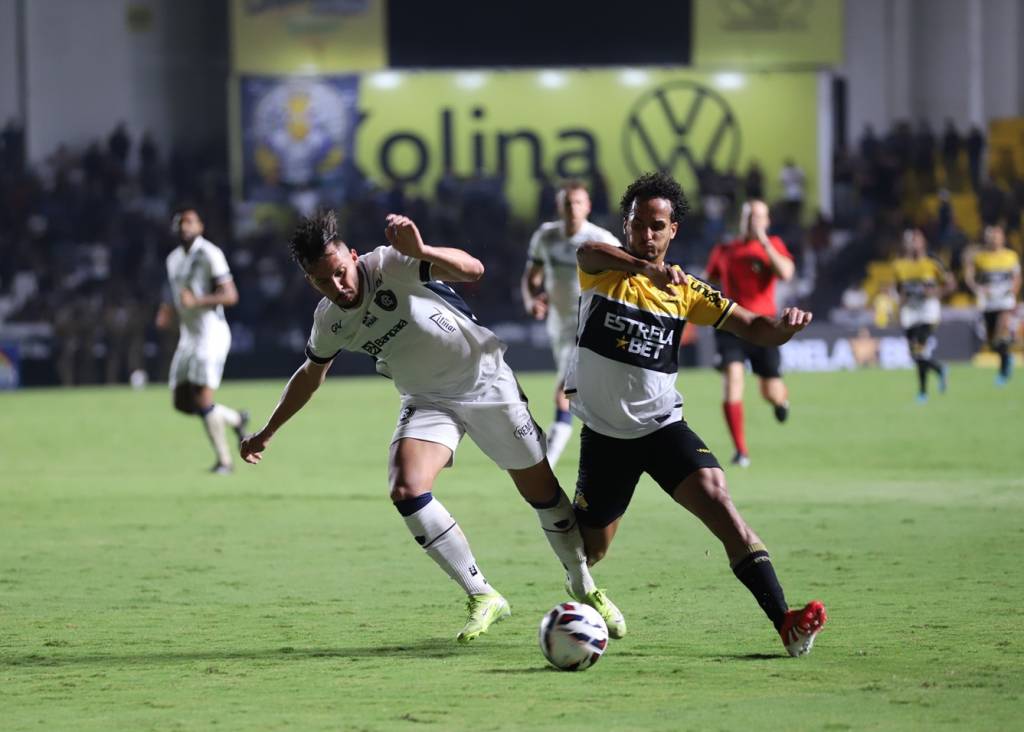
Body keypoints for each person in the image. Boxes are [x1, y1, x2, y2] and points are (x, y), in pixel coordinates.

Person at [240, 211, 625, 643]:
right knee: (406, 487)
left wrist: (421, 250)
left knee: (542, 494)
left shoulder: (389, 263)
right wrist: (268, 431)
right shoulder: (330, 320)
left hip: (486, 382)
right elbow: (310, 375)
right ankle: (482, 594)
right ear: (310, 282)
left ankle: (582, 585)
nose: (337, 286)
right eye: (322, 281)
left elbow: (473, 270)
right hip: (427, 400)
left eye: (340, 272)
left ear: (353, 256)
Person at [565, 171, 826, 657]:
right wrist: (646, 271)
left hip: (662, 428)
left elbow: (753, 326)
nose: (647, 234)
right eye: (638, 223)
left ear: (673, 230)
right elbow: (587, 252)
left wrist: (783, 329)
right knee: (590, 550)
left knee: (719, 500)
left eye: (657, 226)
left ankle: (786, 623)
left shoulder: (687, 291)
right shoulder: (604, 269)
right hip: (604, 437)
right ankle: (576, 580)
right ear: (625, 225)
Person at [521, 180, 620, 467]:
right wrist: (531, 300)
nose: (572, 208)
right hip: (559, 326)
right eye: (567, 203)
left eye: (578, 202)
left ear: (588, 206)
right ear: (559, 206)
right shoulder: (546, 237)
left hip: (591, 324)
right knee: (584, 394)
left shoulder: (601, 240)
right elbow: (532, 276)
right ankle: (614, 447)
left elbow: (625, 278)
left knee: (564, 392)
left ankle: (547, 463)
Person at [155, 207, 248, 474]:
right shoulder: (173, 258)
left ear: (200, 227)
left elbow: (230, 295)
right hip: (189, 335)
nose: (184, 227)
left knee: (202, 398)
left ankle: (225, 462)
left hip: (210, 333)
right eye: (180, 223)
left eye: (189, 222)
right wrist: (167, 310)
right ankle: (235, 419)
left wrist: (197, 301)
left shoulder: (210, 253)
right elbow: (175, 293)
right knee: (182, 402)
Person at [705, 200, 795, 467]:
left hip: (764, 327)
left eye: (758, 216)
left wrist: (764, 242)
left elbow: (786, 273)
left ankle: (781, 402)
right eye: (748, 216)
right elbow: (710, 278)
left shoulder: (773, 245)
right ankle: (741, 450)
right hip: (732, 323)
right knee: (733, 380)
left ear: (767, 221)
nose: (752, 221)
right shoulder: (724, 249)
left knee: (770, 391)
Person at [891, 228, 955, 402]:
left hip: (928, 309)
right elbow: (900, 290)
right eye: (911, 241)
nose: (913, 244)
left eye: (917, 240)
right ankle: (939, 369)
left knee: (919, 349)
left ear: (923, 242)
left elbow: (950, 284)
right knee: (915, 355)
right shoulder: (900, 265)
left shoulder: (933, 262)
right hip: (910, 311)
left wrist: (935, 293)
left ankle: (923, 391)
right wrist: (898, 310)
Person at [963, 223, 1021, 384]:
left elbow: (1017, 278)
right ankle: (1007, 356)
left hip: (1005, 301)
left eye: (996, 236)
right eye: (990, 237)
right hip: (988, 302)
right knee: (992, 342)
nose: (993, 239)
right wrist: (977, 288)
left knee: (1000, 333)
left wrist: (1012, 293)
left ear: (1002, 238)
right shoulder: (980, 257)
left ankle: (1003, 370)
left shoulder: (1011, 256)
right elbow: (969, 275)